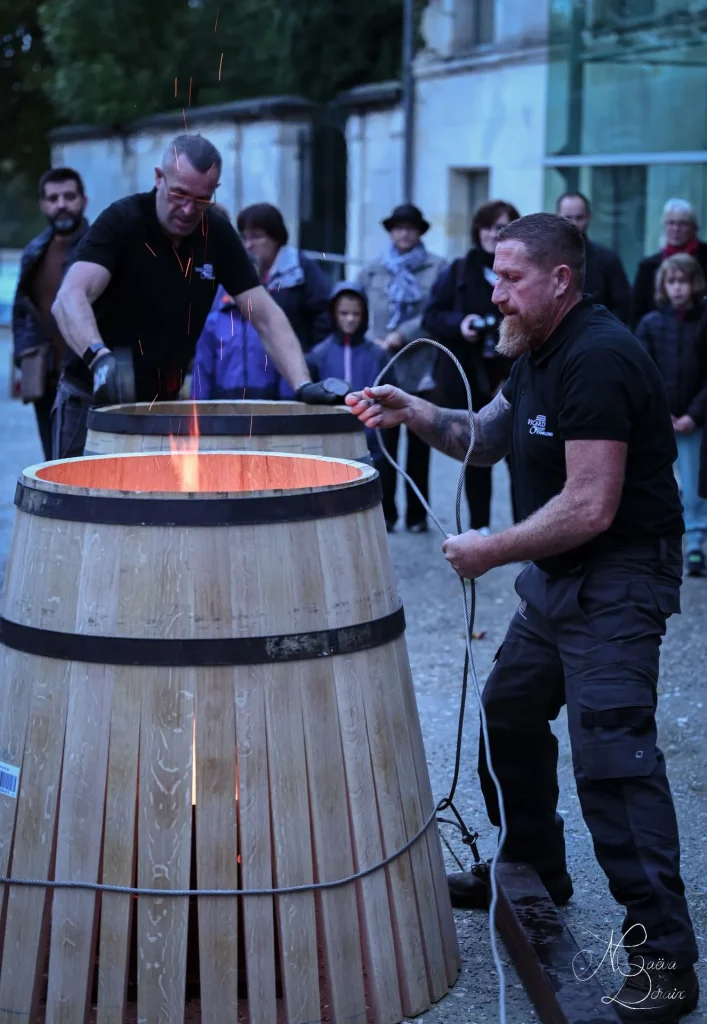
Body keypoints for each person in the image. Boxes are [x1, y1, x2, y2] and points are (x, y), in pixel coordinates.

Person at [347, 212, 699, 1023]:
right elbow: (486, 436)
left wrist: (491, 548)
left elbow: (590, 503)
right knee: (506, 710)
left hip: (618, 575)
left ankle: (666, 965)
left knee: (612, 757)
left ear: (559, 281)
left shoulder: (599, 356)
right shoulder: (534, 349)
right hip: (559, 576)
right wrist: (413, 410)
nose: (493, 291)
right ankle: (533, 867)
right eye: (493, 276)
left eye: (508, 278)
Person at [51, 134, 344, 459]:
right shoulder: (123, 221)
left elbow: (265, 315)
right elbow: (69, 297)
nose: (189, 210)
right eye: (180, 194)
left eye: (202, 199)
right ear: (158, 178)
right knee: (83, 506)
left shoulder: (216, 234)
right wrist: (100, 359)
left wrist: (302, 385)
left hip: (159, 407)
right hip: (91, 399)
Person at [422, 199, 519, 534]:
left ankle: (528, 530)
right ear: (478, 230)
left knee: (520, 455)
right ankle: (480, 527)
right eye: (491, 227)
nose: (496, 234)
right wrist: (461, 323)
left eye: (505, 228)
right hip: (471, 374)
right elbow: (431, 317)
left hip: (511, 375)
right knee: (478, 453)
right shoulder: (459, 269)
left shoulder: (523, 271)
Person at [355, 204, 446, 532]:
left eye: (410, 228)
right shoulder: (374, 269)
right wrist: (372, 340)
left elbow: (437, 312)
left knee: (420, 448)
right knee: (384, 447)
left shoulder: (438, 267)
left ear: (419, 232)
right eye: (398, 228)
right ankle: (387, 513)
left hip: (420, 366)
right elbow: (355, 305)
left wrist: (401, 334)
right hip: (383, 365)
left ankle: (418, 516)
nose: (404, 233)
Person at [636, 254, 707, 577]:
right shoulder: (651, 324)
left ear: (695, 285)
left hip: (694, 419)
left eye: (684, 281)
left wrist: (694, 413)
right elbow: (642, 372)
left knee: (693, 487)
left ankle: (694, 545)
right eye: (672, 281)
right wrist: (660, 413)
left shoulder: (703, 323)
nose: (678, 288)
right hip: (659, 420)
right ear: (664, 285)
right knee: (657, 482)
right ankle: (656, 546)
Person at [12, 168, 89, 459]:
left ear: (83, 201)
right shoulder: (34, 251)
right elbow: (22, 311)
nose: (61, 204)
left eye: (69, 196)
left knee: (87, 463)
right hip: (45, 379)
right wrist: (25, 356)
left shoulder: (98, 247)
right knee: (52, 461)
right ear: (43, 204)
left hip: (85, 378)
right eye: (53, 198)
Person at [307, 282, 387, 468]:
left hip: (373, 446)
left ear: (365, 315)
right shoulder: (319, 355)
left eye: (356, 314)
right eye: (344, 313)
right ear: (333, 314)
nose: (350, 319)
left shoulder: (378, 356)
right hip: (331, 446)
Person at [236, 202, 330, 352]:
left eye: (256, 237)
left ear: (276, 237)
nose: (248, 245)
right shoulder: (241, 271)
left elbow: (324, 317)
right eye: (244, 237)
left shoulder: (301, 270)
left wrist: (311, 358)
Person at [632, 198, 707, 329]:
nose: (676, 229)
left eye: (682, 224)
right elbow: (636, 311)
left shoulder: (705, 258)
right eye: (671, 223)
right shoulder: (648, 267)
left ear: (694, 227)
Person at [556, 191, 631, 322]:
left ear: (588, 217)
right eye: (568, 217)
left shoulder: (607, 259)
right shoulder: (546, 258)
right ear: (558, 217)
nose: (574, 223)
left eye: (579, 218)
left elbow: (622, 307)